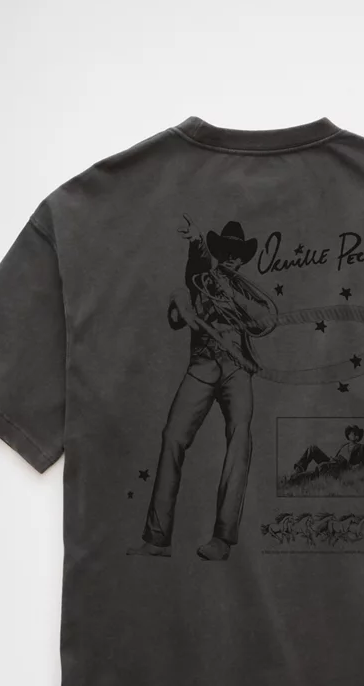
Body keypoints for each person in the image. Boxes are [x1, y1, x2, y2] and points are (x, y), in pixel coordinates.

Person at [127, 216, 277, 561]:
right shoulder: (201, 278)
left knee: (239, 439)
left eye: (238, 254)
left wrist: (231, 295)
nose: (232, 258)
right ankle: (157, 539)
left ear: (243, 259)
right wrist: (196, 241)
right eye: (227, 251)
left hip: (237, 370)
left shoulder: (247, 291)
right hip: (202, 366)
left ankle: (223, 539)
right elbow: (196, 264)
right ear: (219, 252)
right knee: (173, 437)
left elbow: (265, 321)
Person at [286, 424, 364, 486]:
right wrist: (332, 460)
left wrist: (356, 471)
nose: (352, 434)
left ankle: (293, 479)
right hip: (333, 462)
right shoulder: (344, 445)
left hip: (341, 468)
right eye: (350, 433)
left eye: (355, 433)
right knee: (312, 448)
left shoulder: (361, 447)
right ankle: (298, 470)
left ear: (358, 436)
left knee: (321, 468)